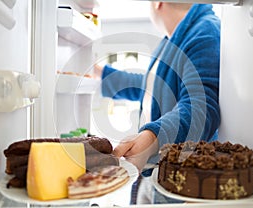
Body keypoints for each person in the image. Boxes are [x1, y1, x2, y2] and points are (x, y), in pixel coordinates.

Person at [94, 2, 220, 204]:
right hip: (153, 172)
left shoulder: (205, 32)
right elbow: (152, 86)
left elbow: (201, 107)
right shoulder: (172, 38)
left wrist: (151, 138)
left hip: (180, 179)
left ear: (157, 2)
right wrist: (103, 74)